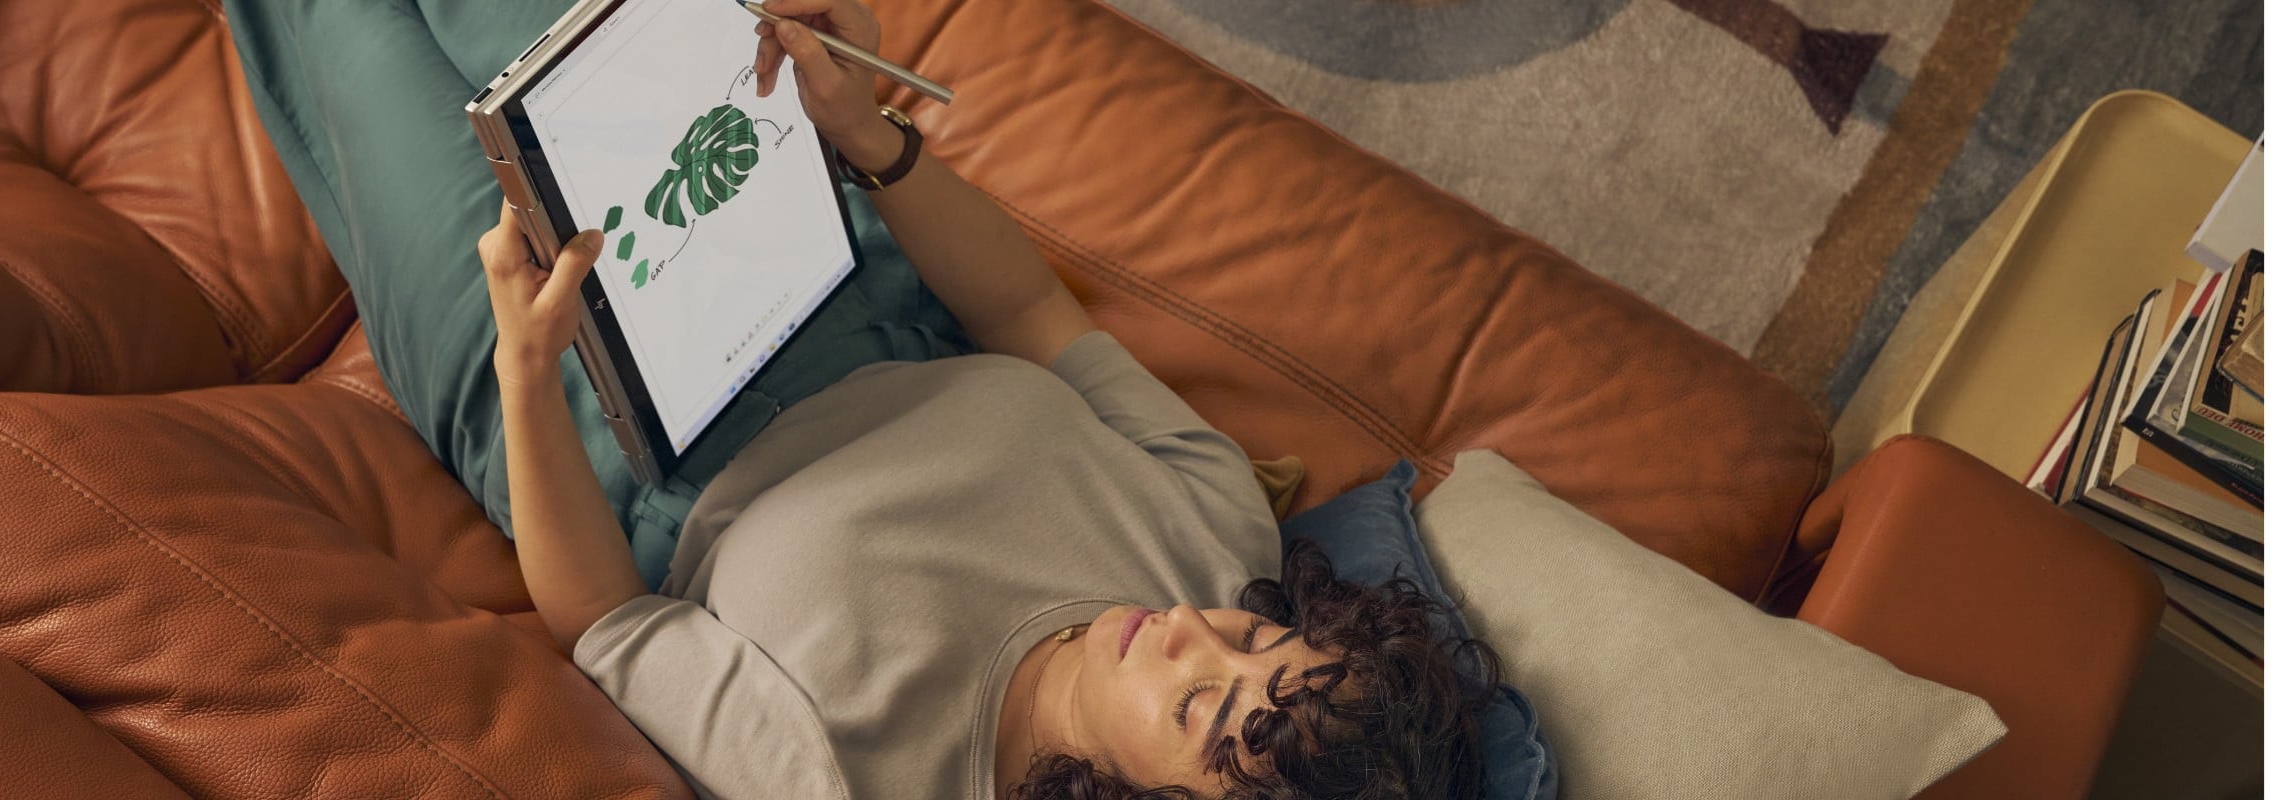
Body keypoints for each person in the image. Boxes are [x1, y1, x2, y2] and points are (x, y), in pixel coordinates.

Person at [226, 0, 1506, 796]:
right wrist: (871, 139)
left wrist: (518, 366)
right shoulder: (1212, 533)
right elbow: (1027, 317)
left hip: (588, 422)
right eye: (1253, 640)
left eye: (1194, 703)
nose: (1189, 631)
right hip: (817, 268)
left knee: (332, 24)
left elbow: (606, 617)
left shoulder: (841, 779)